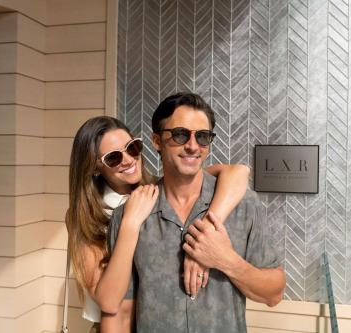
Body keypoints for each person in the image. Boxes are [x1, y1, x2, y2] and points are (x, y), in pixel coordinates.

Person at [108, 92, 286, 332]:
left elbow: (274, 294)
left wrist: (226, 260)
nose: (193, 146)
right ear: (157, 141)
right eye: (180, 134)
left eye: (202, 137)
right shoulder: (129, 216)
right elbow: (121, 312)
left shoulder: (243, 205)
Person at [66, 116, 249, 332]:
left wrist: (207, 229)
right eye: (114, 157)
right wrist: (130, 224)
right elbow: (108, 301)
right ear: (96, 167)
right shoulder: (84, 216)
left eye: (132, 148)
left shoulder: (160, 189)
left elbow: (238, 173)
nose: (128, 160)